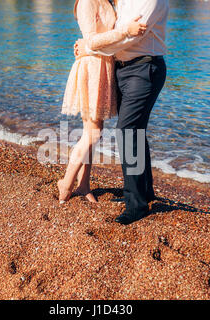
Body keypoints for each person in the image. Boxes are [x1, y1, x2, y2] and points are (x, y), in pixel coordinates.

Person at [74, 0, 169, 224]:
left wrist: (89, 46)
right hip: (124, 70)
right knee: (135, 131)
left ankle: (136, 205)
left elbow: (131, 37)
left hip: (144, 68)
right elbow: (116, 32)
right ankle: (144, 193)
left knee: (127, 130)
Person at [57, 0, 147, 204]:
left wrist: (90, 47)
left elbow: (100, 42)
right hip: (92, 69)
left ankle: (84, 184)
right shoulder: (86, 2)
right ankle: (67, 181)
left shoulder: (107, 1)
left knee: (94, 129)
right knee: (93, 132)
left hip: (103, 67)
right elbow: (93, 40)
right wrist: (126, 31)